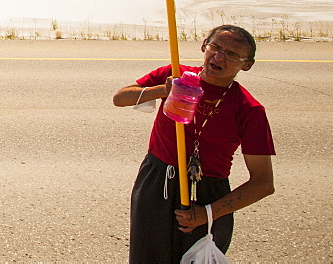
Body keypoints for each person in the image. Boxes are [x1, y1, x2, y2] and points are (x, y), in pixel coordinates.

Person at [112, 24, 275, 263]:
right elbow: (120, 98)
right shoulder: (176, 74)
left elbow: (263, 183)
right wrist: (162, 90)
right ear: (203, 47)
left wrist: (208, 214)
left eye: (232, 54)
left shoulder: (249, 109)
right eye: (215, 47)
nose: (219, 57)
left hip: (207, 193)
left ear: (247, 64)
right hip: (157, 181)